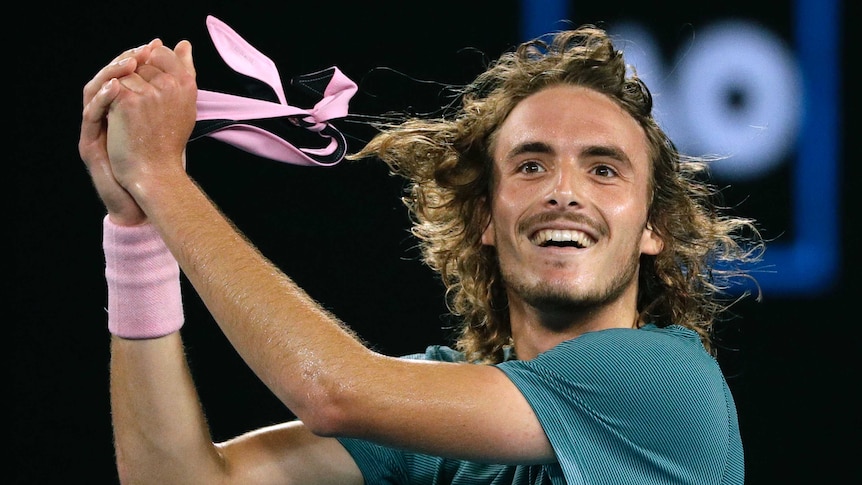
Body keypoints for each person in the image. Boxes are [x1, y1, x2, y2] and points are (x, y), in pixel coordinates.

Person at [79, 24, 763, 484]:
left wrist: (162, 177)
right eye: (529, 165)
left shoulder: (668, 385)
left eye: (604, 170)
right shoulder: (438, 412)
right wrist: (135, 227)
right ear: (485, 218)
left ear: (653, 228)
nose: (563, 192)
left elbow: (332, 390)